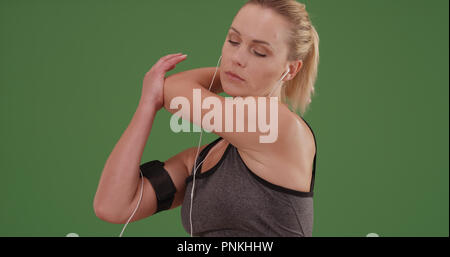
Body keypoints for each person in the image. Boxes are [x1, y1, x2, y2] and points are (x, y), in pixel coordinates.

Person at [94, 0, 319, 237]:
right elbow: (113, 205)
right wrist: (147, 106)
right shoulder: (202, 159)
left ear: (291, 70)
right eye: (233, 41)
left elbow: (173, 90)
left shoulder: (281, 128)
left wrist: (226, 77)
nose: (237, 58)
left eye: (259, 52)